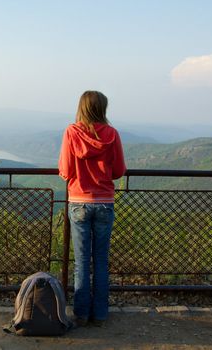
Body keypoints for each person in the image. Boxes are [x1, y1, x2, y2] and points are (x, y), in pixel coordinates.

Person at [58, 90, 126, 327]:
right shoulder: (112, 134)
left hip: (78, 202)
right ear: (103, 108)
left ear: (82, 107)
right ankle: (100, 314)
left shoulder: (71, 132)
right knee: (101, 260)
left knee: (81, 262)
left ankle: (81, 313)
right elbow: (118, 171)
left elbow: (66, 170)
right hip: (105, 202)